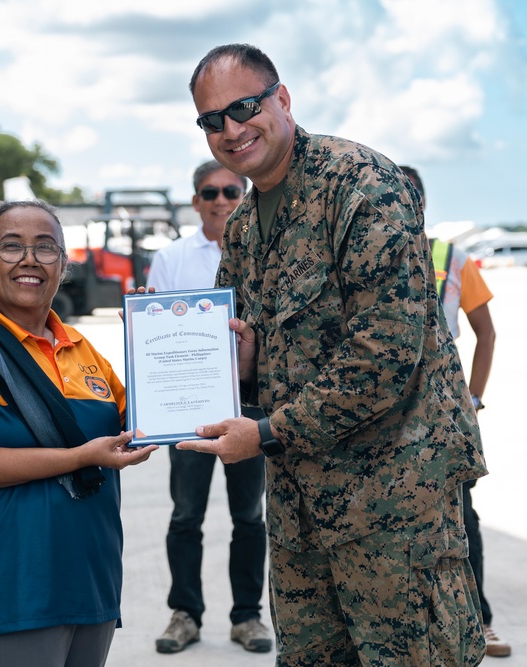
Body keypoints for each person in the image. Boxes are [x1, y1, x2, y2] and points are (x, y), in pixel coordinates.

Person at [177, 43, 489, 666]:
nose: (232, 129)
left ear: (283, 100)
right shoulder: (241, 229)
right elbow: (250, 352)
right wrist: (236, 369)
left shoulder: (362, 185)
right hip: (300, 512)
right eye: (213, 119)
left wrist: (265, 431)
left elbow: (385, 355)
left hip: (393, 506)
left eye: (245, 107)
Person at [0, 199, 158, 667]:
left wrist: (157, 346)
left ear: (65, 266)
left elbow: (142, 426)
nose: (29, 259)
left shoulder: (84, 350)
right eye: (11, 246)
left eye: (46, 248)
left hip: (91, 583)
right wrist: (79, 457)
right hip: (13, 594)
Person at [146, 161, 272, 654]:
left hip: (248, 405)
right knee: (186, 515)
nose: (221, 200)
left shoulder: (267, 255)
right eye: (210, 192)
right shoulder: (171, 258)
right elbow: (154, 333)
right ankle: (185, 614)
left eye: (231, 191)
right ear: (195, 200)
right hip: (187, 407)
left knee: (249, 516)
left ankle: (247, 618)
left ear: (245, 196)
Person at [401, 165, 510, 658]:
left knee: (462, 518)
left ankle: (479, 621)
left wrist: (475, 398)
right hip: (386, 420)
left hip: (444, 418)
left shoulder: (451, 257)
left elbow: (486, 333)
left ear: (421, 203)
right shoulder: (362, 253)